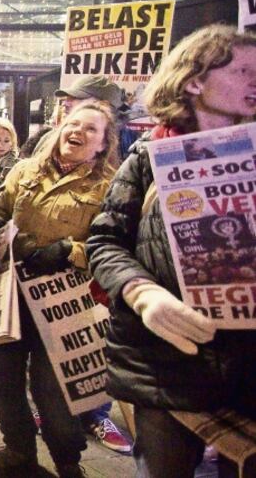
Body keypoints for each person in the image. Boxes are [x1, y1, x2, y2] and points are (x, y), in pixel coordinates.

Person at [88, 24, 256, 478]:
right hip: (165, 369)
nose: (255, 80)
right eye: (243, 70)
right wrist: (143, 294)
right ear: (194, 80)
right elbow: (105, 241)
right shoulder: (147, 157)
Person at [0, 101, 119, 478]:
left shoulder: (110, 186)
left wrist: (69, 251)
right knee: (3, 380)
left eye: (91, 129)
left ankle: (68, 462)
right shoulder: (26, 169)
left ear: (103, 143)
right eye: (73, 124)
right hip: (11, 294)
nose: (78, 132)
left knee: (53, 393)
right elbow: (1, 204)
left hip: (64, 305)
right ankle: (18, 449)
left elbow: (116, 246)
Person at [20, 76, 122, 157]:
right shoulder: (48, 137)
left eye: (77, 97)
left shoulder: (126, 148)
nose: (65, 103)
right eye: (67, 98)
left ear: (103, 105)